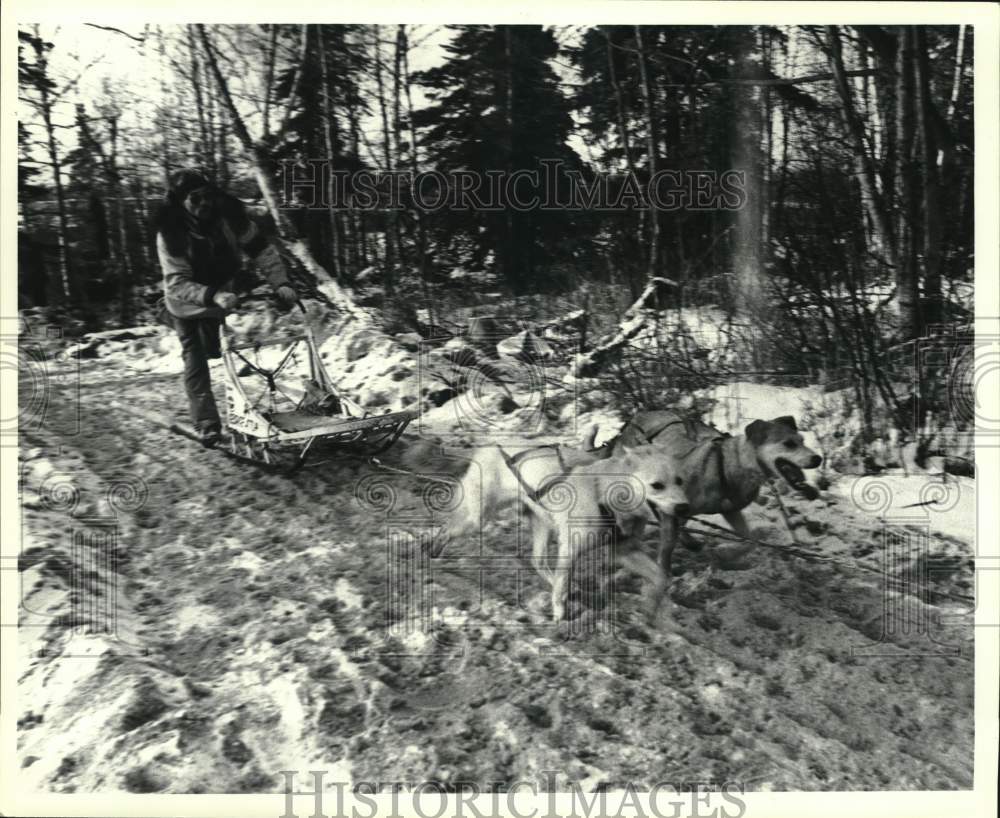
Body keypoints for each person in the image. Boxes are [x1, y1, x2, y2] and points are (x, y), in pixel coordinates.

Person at [154, 168, 298, 447]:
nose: (203, 204)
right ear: (180, 201)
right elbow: (176, 283)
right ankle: (207, 423)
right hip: (185, 304)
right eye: (195, 198)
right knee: (195, 359)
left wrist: (281, 282)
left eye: (207, 196)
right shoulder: (170, 234)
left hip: (220, 297)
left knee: (213, 350)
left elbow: (262, 250)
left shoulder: (229, 219)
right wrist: (213, 296)